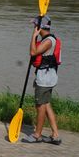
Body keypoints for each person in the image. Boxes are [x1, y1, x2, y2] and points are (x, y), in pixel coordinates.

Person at [20, 16, 61, 144]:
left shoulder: (48, 41)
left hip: (45, 79)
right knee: (47, 104)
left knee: (40, 106)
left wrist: (33, 36)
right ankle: (55, 135)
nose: (33, 27)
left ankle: (37, 135)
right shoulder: (48, 39)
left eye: (35, 25)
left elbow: (33, 52)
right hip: (47, 77)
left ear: (40, 27)